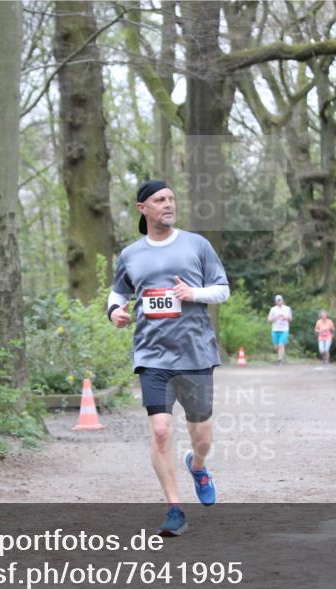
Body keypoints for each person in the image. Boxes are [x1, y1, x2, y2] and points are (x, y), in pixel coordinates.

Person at [107, 180, 230, 537]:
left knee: (201, 435)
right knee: (161, 431)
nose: (168, 204)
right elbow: (117, 293)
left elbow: (222, 289)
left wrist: (194, 293)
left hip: (195, 353)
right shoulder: (131, 254)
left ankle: (198, 465)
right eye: (160, 200)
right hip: (151, 354)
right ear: (142, 208)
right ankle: (175, 509)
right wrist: (114, 312)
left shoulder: (197, 245)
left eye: (171, 199)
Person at [267, 294, 292, 364]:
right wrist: (274, 318)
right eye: (277, 301)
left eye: (280, 300)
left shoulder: (287, 308)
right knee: (276, 347)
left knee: (281, 344)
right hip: (275, 329)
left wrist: (286, 318)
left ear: (282, 300)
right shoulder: (273, 309)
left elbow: (290, 318)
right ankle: (283, 356)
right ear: (275, 302)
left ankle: (279, 360)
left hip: (284, 329)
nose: (279, 302)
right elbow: (269, 320)